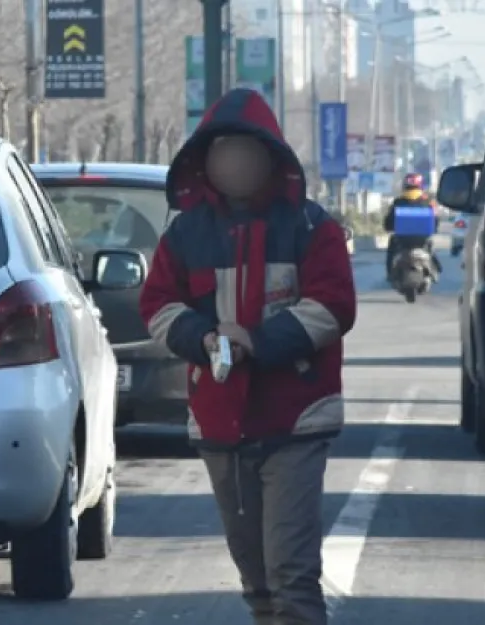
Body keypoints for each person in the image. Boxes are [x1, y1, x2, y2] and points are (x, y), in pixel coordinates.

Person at [139, 88, 357, 625]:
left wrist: (257, 341)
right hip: (220, 422)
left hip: (294, 421)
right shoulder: (185, 233)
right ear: (204, 160)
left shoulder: (311, 227)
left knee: (292, 574)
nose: (234, 163)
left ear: (270, 157)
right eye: (223, 151)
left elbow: (333, 306)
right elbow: (158, 303)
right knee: (255, 576)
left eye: (246, 151)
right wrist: (205, 338)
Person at [382, 172, 441, 275]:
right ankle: (437, 267)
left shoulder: (398, 202)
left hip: (402, 239)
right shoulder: (428, 202)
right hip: (422, 239)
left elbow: (389, 221)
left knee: (391, 248)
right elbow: (435, 221)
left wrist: (388, 227)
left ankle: (389, 272)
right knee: (430, 247)